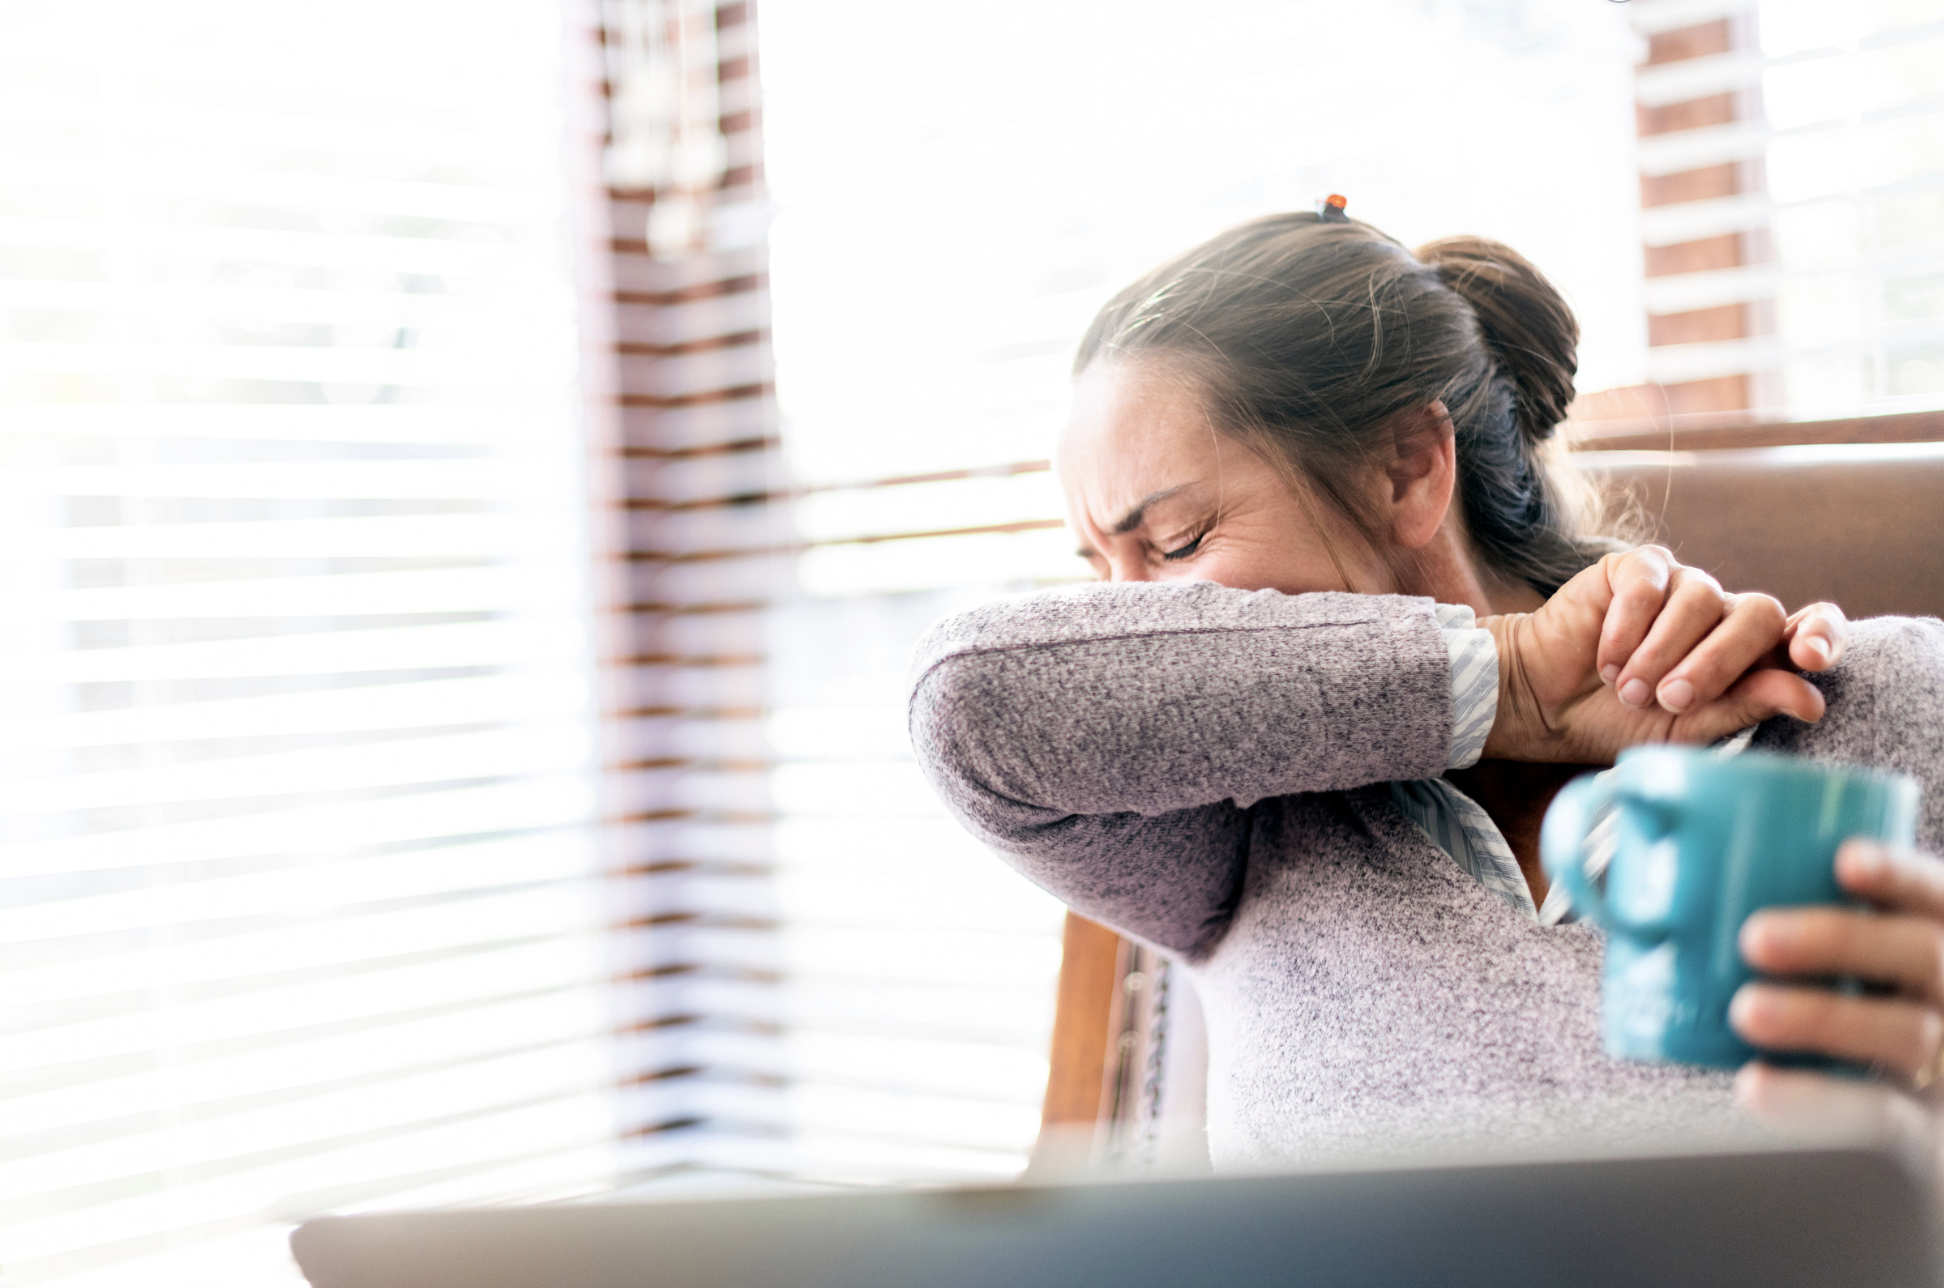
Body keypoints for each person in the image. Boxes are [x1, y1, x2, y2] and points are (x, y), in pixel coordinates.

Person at [907, 210, 1944, 1166]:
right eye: (1100, 570)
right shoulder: (1217, 825)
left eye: (1174, 543)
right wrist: (1510, 679)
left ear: (1405, 468)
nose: (1128, 622)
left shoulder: (1886, 710)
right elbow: (967, 704)